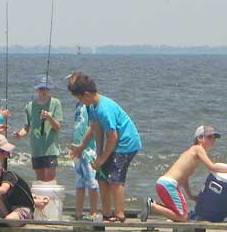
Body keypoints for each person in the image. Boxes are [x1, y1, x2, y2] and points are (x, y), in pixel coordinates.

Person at [66, 72, 141, 222]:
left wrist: (102, 158)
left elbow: (113, 136)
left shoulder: (103, 108)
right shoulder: (91, 107)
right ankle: (107, 214)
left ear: (87, 94)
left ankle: (119, 214)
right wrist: (95, 154)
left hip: (126, 143)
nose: (80, 101)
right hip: (113, 142)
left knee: (115, 178)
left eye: (80, 98)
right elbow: (95, 128)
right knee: (101, 176)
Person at [141, 125, 227, 223]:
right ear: (199, 138)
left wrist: (190, 196)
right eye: (210, 137)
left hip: (163, 184)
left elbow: (184, 178)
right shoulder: (198, 149)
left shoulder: (191, 151)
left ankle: (152, 205)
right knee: (183, 217)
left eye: (214, 138)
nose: (213, 140)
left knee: (178, 214)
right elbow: (212, 167)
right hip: (169, 185)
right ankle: (152, 206)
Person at [14, 76, 63, 181]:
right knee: (40, 179)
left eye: (46, 89)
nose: (44, 92)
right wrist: (19, 134)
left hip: (51, 149)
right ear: (36, 89)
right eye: (41, 89)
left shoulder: (56, 103)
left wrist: (49, 118)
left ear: (50, 90)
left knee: (50, 178)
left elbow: (57, 127)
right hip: (36, 148)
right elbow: (26, 128)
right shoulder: (29, 106)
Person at [0, 155, 49, 220]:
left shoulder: (9, 175)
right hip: (9, 207)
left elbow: (3, 189)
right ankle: (5, 215)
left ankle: (10, 217)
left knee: (10, 220)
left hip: (22, 207)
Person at [70, 91, 100, 219]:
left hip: (89, 149)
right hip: (77, 149)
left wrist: (83, 145)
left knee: (92, 182)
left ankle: (93, 211)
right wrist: (74, 146)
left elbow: (92, 127)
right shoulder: (78, 105)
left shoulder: (90, 106)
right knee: (79, 182)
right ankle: (78, 212)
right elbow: (77, 127)